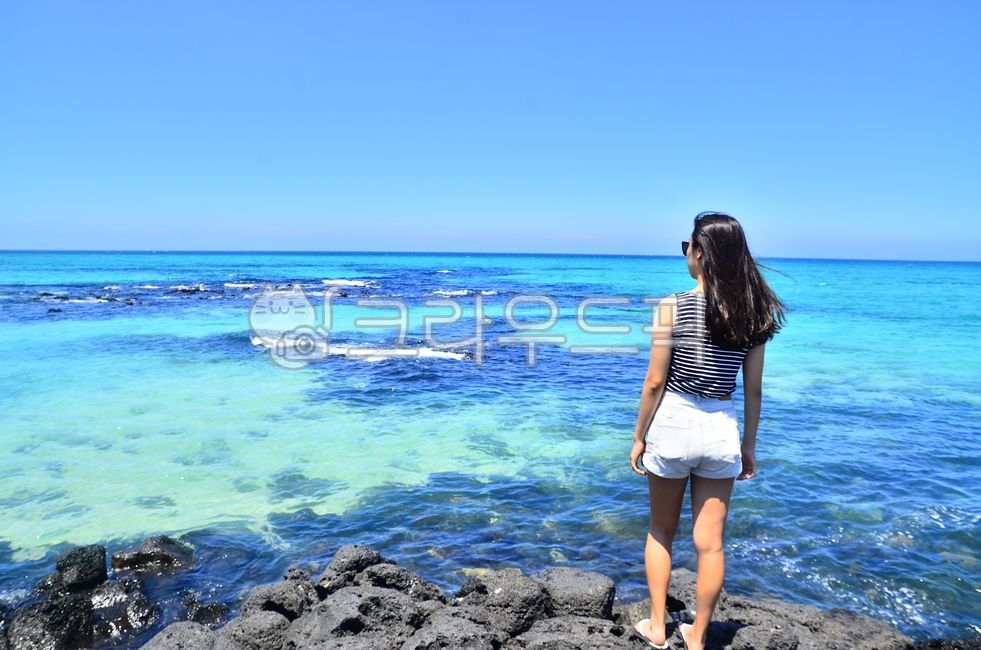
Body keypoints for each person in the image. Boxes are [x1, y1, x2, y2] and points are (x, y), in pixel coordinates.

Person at [628, 212, 786, 650]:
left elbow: (655, 382)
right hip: (721, 428)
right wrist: (748, 447)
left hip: (674, 424)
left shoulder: (672, 305)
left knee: (661, 531)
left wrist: (639, 436)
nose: (686, 255)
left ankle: (657, 627)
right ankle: (697, 635)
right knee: (711, 545)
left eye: (688, 247)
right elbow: (753, 390)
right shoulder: (756, 311)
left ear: (701, 253)